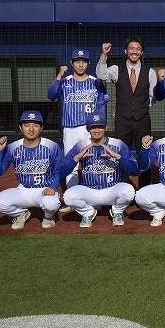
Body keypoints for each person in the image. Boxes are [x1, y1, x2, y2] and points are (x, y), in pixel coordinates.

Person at [47, 48, 109, 208]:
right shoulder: (65, 81)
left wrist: (101, 126)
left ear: (88, 63)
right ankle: (72, 200)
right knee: (71, 164)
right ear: (71, 63)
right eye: (77, 61)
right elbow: (51, 95)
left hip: (90, 129)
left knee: (93, 162)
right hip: (70, 129)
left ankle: (94, 198)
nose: (80, 64)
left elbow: (101, 106)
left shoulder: (95, 82)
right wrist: (59, 75)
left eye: (84, 61)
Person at [95, 37, 157, 189]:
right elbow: (101, 76)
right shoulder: (116, 69)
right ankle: (123, 188)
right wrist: (104, 55)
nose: (134, 51)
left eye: (138, 49)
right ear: (125, 51)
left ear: (142, 52)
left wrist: (139, 107)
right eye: (131, 48)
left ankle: (144, 190)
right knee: (121, 153)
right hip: (122, 120)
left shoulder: (150, 72)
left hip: (143, 120)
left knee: (144, 153)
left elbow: (153, 96)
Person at [60, 112, 138, 228]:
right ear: (88, 129)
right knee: (68, 196)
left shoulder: (117, 144)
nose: (97, 130)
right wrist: (77, 158)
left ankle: (117, 211)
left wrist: (117, 156)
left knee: (129, 191)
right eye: (93, 127)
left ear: (106, 127)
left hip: (112, 190)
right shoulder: (81, 146)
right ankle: (88, 212)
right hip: (90, 191)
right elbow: (62, 172)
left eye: (100, 127)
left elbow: (134, 169)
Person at [0, 110, 62, 230]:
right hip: (23, 190)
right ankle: (21, 213)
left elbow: (60, 171)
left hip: (45, 189)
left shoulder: (52, 146)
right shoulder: (12, 148)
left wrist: (53, 187)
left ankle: (49, 217)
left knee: (51, 205)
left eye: (35, 125)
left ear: (41, 128)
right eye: (27, 125)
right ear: (20, 127)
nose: (31, 129)